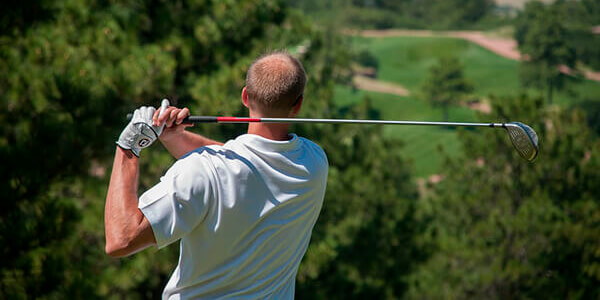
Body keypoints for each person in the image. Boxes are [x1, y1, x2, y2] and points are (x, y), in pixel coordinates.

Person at [104, 51, 329, 299]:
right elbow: (238, 161)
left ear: (245, 96)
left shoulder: (204, 170)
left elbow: (121, 239)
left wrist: (128, 147)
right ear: (298, 104)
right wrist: (175, 137)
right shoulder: (315, 163)